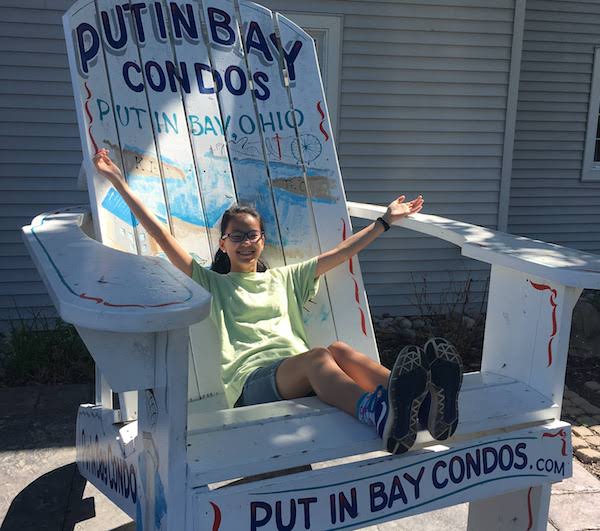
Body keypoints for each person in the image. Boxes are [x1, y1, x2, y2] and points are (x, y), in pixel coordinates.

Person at [93, 148, 463, 454]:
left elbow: (340, 253)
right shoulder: (213, 284)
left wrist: (384, 222)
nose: (245, 241)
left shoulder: (286, 278)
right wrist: (117, 182)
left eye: (252, 234)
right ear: (222, 243)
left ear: (263, 240)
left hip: (295, 373)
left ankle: (427, 406)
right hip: (252, 386)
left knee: (339, 349)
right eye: (235, 235)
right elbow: (161, 234)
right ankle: (379, 415)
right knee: (320, 355)